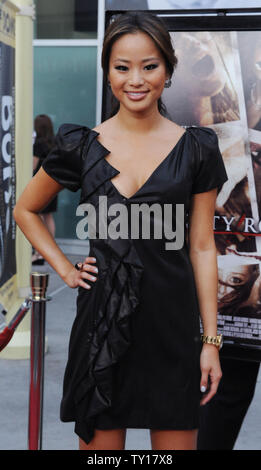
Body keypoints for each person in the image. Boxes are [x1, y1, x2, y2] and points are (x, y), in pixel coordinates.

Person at [13, 12, 228, 450]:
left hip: (172, 330)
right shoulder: (79, 146)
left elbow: (204, 247)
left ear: (167, 70)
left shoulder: (197, 149)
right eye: (122, 66)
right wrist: (67, 271)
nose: (136, 79)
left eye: (149, 66)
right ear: (107, 71)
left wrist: (210, 341)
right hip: (102, 329)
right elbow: (26, 209)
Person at [32, 114, 58, 264]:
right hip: (53, 183)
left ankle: (39, 253)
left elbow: (33, 166)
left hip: (40, 184)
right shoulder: (54, 143)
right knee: (48, 217)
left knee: (38, 217)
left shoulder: (38, 144)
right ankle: (49, 250)